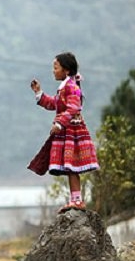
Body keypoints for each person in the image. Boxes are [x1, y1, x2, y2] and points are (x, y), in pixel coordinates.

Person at [29, 52, 99, 212]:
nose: (53, 71)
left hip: (72, 132)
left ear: (66, 70)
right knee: (70, 168)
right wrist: (39, 93)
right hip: (66, 132)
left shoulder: (72, 87)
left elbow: (74, 107)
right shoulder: (65, 88)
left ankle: (77, 201)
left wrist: (60, 123)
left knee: (72, 167)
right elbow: (54, 103)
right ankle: (76, 199)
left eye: (56, 67)